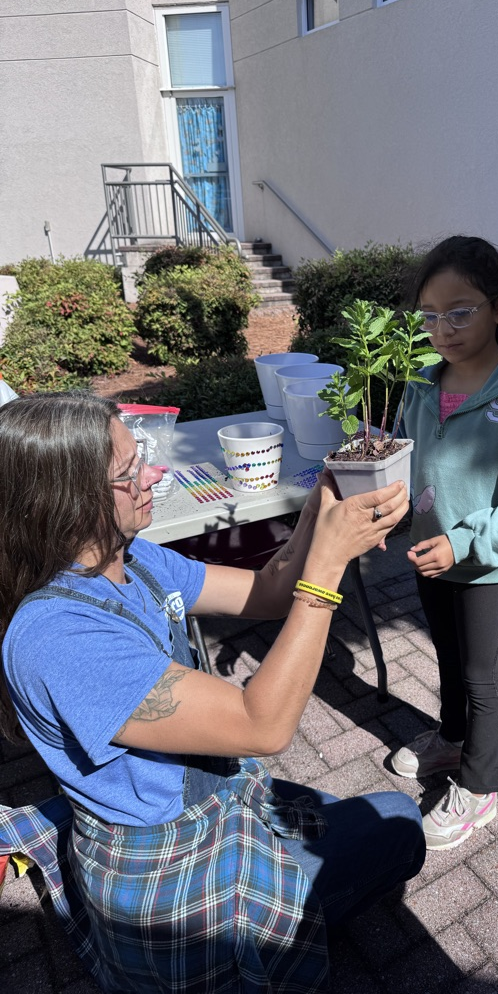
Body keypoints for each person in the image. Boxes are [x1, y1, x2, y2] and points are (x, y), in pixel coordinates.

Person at [0, 391, 425, 994]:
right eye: (128, 471)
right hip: (167, 876)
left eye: (141, 455)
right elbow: (262, 725)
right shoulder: (60, 638)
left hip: (210, 800)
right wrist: (327, 569)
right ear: (62, 501)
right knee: (399, 820)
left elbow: (266, 593)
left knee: (330, 813)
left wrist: (316, 511)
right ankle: (242, 954)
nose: (153, 474)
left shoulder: (130, 560)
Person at [389, 235, 498, 850]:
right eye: (430, 315)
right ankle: (451, 738)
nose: (443, 329)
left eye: (460, 312)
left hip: (490, 565)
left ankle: (483, 782)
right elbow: (407, 461)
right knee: (447, 656)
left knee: (481, 674)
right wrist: (389, 511)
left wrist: (463, 543)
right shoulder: (420, 385)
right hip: (429, 555)